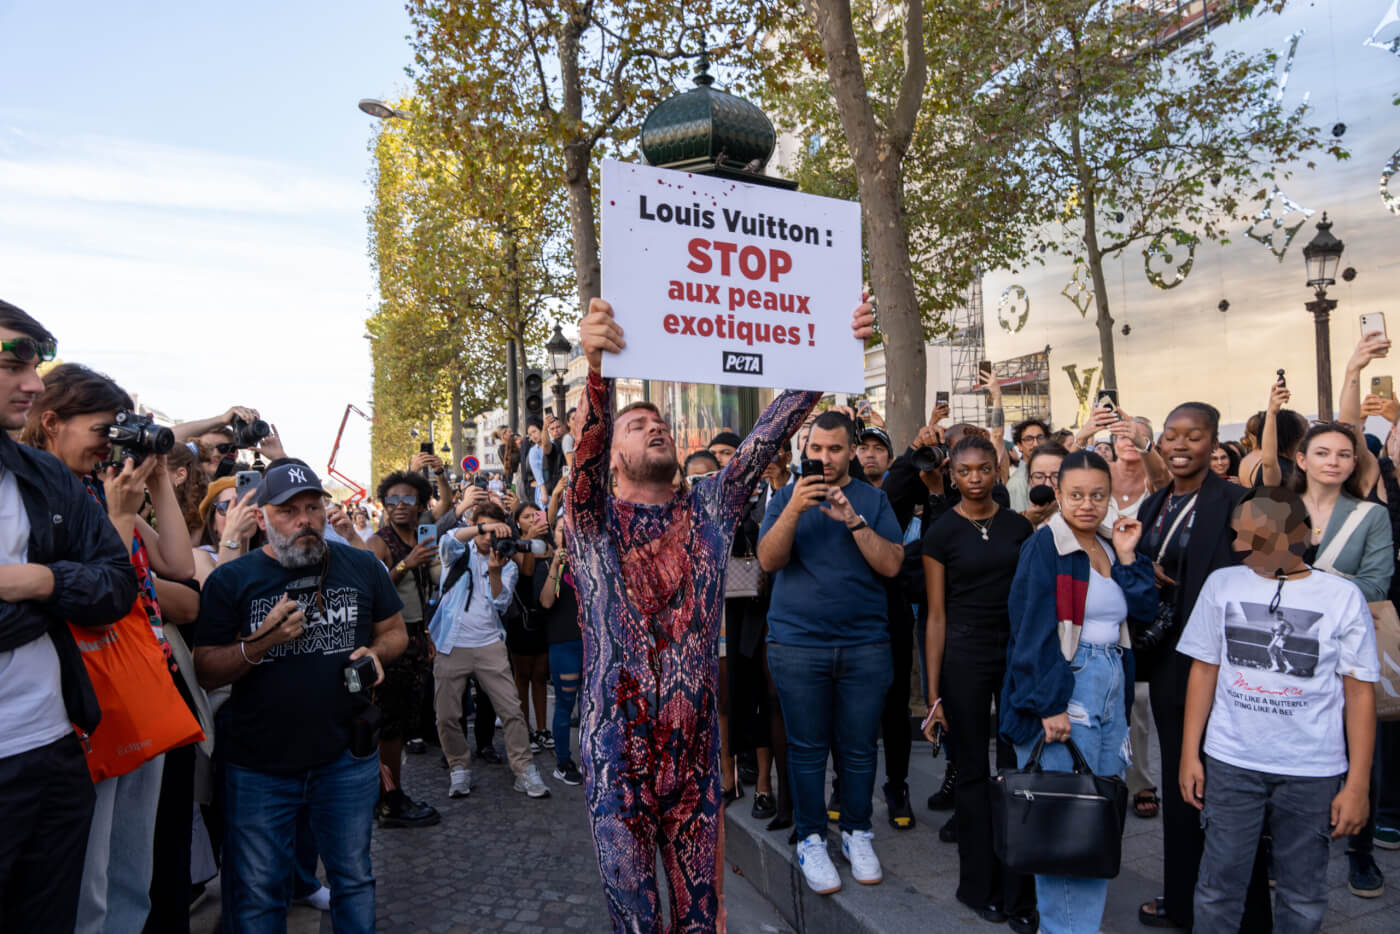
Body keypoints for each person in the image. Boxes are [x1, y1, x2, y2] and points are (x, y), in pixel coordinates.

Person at [564, 296, 875, 927]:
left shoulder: (710, 507)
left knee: (702, 919)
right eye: (637, 424)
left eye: (660, 422)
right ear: (614, 456)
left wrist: (833, 349)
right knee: (637, 921)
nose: (655, 427)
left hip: (696, 756)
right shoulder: (592, 520)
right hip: (616, 754)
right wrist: (596, 369)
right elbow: (585, 458)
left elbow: (770, 434)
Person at [21, 362, 201, 934]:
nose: (110, 447)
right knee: (90, 881)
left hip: (139, 685)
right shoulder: (35, 497)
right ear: (52, 423)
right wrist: (119, 522)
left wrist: (153, 485)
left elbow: (177, 565)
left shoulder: (102, 491)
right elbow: (91, 594)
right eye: (103, 431)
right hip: (85, 701)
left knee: (133, 870)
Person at [192, 459, 407, 933]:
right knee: (259, 894)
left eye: (313, 507)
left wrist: (376, 653)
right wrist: (262, 641)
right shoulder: (233, 580)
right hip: (259, 766)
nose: (304, 519)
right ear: (264, 517)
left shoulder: (360, 565)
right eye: (289, 511)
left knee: (354, 878)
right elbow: (205, 669)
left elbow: (394, 631)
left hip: (346, 759)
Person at [1178, 486, 1378, 932]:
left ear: (1300, 533)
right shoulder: (1222, 584)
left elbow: (1360, 693)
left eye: (1257, 538)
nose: (1240, 546)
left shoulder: (1341, 597)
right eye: (1240, 535)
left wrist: (1357, 785)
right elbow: (1204, 669)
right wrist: (1191, 752)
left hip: (1312, 771)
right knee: (1217, 888)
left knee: (1303, 896)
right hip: (1231, 763)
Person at [0, 302, 139, 934]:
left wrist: (40, 581)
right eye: (12, 363)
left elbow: (116, 585)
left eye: (35, 364)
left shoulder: (45, 476)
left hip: (54, 749)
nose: (32, 383)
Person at [1002, 449, 1157, 934]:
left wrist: (1130, 557)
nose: (1087, 504)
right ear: (1059, 495)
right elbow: (1029, 629)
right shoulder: (1045, 546)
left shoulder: (1112, 544)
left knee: (1095, 823)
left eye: (1097, 495)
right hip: (1069, 684)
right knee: (1066, 826)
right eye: (1076, 495)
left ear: (1110, 496)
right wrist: (1050, 705)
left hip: (1111, 684)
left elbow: (1146, 609)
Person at [1135, 402, 1271, 930]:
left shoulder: (1242, 500)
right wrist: (1142, 564)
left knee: (1233, 791)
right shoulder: (1154, 504)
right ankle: (1182, 898)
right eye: (1171, 435)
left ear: (1213, 443)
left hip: (1229, 665)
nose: (1179, 444)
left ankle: (1250, 910)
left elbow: (1271, 572)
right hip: (1170, 661)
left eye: (1193, 436)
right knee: (1178, 784)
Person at [759, 408, 904, 894]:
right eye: (816, 449)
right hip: (798, 645)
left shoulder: (873, 500)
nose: (824, 457)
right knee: (805, 750)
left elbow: (891, 566)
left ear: (851, 451)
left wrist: (853, 520)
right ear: (806, 449)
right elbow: (769, 559)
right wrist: (796, 509)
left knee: (860, 749)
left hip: (864, 645)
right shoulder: (785, 497)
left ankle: (858, 832)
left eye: (835, 449)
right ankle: (812, 838)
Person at [921, 435, 1036, 928]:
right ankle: (977, 887)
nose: (974, 479)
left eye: (983, 469)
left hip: (1013, 653)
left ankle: (1020, 890)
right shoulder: (941, 532)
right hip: (964, 653)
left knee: (1017, 772)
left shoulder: (1019, 527)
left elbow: (1032, 601)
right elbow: (936, 616)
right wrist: (932, 696)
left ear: (998, 470)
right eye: (964, 471)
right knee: (970, 771)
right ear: (952, 474)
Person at [1285, 419, 1394, 897]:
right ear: (1302, 459)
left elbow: (1376, 583)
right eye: (1323, 452)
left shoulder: (1370, 515)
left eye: (1344, 454)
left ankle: (1360, 851)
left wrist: (1303, 581)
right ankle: (1275, 844)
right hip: (1285, 645)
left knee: (1356, 752)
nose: (1333, 462)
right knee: (1283, 742)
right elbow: (1254, 567)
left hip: (1346, 648)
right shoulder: (1276, 508)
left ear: (1355, 462)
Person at [426, 501, 550, 800]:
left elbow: (501, 603)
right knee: (446, 715)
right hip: (451, 643)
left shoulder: (506, 561)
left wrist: (495, 571)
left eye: (494, 531)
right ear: (476, 526)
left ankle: (524, 770)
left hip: (490, 644)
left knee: (512, 710)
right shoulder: (458, 552)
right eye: (483, 530)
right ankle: (459, 767)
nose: (487, 538)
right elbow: (446, 541)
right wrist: (483, 527)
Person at [365, 470, 443, 829]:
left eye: (408, 500)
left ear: (421, 505)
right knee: (389, 727)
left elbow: (422, 594)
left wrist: (425, 631)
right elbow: (371, 590)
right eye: (392, 500)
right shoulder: (379, 542)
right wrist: (404, 564)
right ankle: (388, 800)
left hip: (415, 636)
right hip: (390, 639)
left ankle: (389, 794)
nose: (399, 506)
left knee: (402, 722)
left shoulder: (423, 538)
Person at [536, 521, 582, 786]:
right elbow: (545, 602)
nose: (566, 534)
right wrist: (556, 564)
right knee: (565, 705)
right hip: (564, 644)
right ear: (553, 534)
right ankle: (563, 763)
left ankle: (592, 759)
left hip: (592, 645)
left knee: (591, 707)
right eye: (561, 529)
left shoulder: (590, 564)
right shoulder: (545, 565)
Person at [509, 501, 552, 751]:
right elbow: (526, 572)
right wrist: (529, 539)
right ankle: (525, 729)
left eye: (535, 515)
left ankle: (542, 729)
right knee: (522, 676)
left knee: (539, 676)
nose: (531, 520)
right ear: (517, 522)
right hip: (521, 619)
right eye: (526, 517)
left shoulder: (549, 546)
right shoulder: (515, 547)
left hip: (544, 616)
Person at [1006, 419, 1050, 512]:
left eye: (1040, 437)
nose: (1036, 444)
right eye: (1029, 439)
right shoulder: (1018, 483)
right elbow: (1022, 523)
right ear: (1019, 446)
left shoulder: (1053, 473)